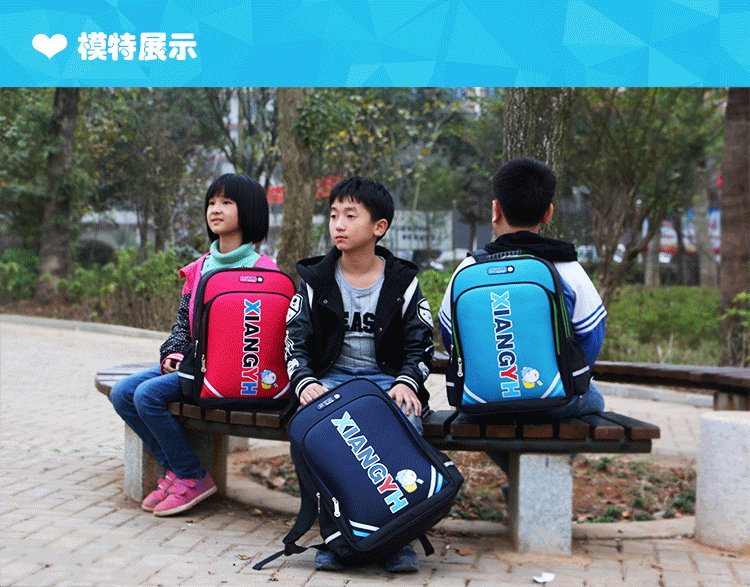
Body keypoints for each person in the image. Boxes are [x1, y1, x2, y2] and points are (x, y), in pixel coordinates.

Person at [285, 176, 434, 573]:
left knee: (406, 423)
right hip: (332, 378)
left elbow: (421, 342)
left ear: (378, 227)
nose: (338, 224)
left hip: (386, 380)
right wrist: (306, 382)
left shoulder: (402, 281)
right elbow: (294, 339)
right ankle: (339, 538)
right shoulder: (316, 280)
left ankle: (398, 541)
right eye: (334, 215)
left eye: (351, 216)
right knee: (317, 434)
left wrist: (407, 381)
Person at [110, 174, 277, 517]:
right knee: (123, 392)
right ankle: (178, 470)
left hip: (235, 376)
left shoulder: (265, 272)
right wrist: (173, 353)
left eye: (226, 203)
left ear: (249, 211)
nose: (215, 210)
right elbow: (182, 326)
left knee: (147, 395)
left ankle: (191, 475)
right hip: (194, 368)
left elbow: (268, 335)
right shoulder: (199, 269)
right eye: (211, 203)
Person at [438, 158, 606, 473]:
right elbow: (592, 335)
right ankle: (536, 481)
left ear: (495, 210)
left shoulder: (469, 268)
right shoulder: (567, 267)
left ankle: (518, 479)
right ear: (548, 213)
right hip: (554, 403)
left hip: (482, 404)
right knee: (595, 401)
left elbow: (451, 337)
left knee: (478, 416)